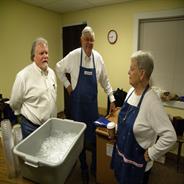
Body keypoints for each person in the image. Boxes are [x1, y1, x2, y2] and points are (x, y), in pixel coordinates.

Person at [55, 26, 116, 183]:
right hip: (77, 108)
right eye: (86, 39)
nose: (89, 42)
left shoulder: (98, 58)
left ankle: (95, 167)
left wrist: (112, 97)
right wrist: (68, 86)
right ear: (81, 40)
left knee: (94, 138)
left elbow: (105, 80)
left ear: (94, 41)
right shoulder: (74, 55)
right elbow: (58, 68)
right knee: (79, 140)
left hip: (91, 108)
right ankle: (83, 168)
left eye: (91, 40)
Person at [111, 50, 177, 184]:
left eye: (131, 69)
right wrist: (117, 130)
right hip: (122, 155)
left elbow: (170, 136)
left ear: (142, 74)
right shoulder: (130, 92)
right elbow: (126, 119)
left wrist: (152, 153)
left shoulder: (152, 102)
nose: (128, 72)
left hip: (137, 165)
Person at [10, 37, 57, 138]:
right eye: (41, 53)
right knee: (33, 154)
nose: (45, 56)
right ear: (33, 57)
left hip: (50, 125)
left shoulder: (52, 73)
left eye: (46, 53)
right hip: (31, 128)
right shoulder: (23, 76)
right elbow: (14, 103)